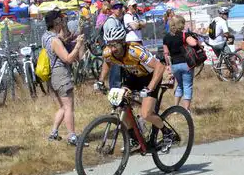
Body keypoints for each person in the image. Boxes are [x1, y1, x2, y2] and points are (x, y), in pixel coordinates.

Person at [95, 24, 175, 146]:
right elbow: (107, 62)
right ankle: (134, 136)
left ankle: (167, 132)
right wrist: (101, 80)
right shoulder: (108, 52)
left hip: (150, 77)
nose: (113, 49)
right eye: (110, 44)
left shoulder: (135, 50)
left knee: (146, 114)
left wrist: (150, 88)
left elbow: (160, 67)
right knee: (121, 104)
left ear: (122, 42)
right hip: (132, 77)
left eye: (115, 44)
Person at [42, 9, 86, 145]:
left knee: (62, 106)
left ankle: (54, 133)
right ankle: (72, 137)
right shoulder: (55, 40)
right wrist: (78, 45)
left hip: (52, 77)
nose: (63, 22)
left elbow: (63, 40)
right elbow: (67, 58)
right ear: (56, 22)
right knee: (68, 107)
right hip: (60, 75)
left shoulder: (46, 36)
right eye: (61, 20)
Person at [162, 14, 198, 111]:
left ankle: (175, 108)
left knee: (180, 85)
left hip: (175, 65)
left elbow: (166, 53)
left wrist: (168, 66)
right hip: (186, 64)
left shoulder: (166, 37)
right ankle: (186, 110)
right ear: (180, 24)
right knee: (187, 85)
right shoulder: (184, 35)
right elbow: (194, 43)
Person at [101, 2, 126, 89]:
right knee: (116, 74)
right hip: (114, 49)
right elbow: (113, 38)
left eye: (120, 7)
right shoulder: (111, 21)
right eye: (116, 7)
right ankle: (115, 92)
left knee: (118, 73)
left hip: (117, 49)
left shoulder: (117, 20)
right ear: (112, 10)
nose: (118, 9)